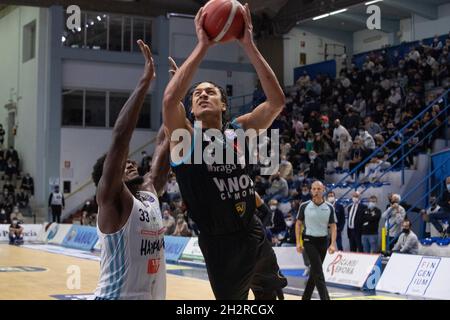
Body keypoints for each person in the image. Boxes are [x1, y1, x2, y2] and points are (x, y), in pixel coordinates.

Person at [162, 5, 287, 300]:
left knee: (272, 298)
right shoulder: (184, 139)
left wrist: (248, 44)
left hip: (253, 230)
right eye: (197, 94)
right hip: (221, 243)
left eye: (211, 92)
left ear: (223, 105)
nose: (203, 94)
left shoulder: (238, 131)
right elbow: (169, 101)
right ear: (191, 109)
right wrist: (203, 45)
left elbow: (276, 102)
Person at [91, 40, 170, 300]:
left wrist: (176, 99)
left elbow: (163, 141)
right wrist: (145, 83)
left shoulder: (149, 192)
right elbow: (120, 138)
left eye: (131, 161)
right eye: (123, 164)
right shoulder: (113, 202)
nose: (130, 162)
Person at [295, 181, 337, 300]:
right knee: (318, 271)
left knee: (314, 271)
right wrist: (298, 242)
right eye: (314, 189)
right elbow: (298, 224)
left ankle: (306, 297)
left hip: (323, 241)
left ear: (323, 190)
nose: (316, 191)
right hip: (309, 240)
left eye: (319, 189)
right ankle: (325, 298)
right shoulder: (304, 205)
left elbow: (333, 226)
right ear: (311, 190)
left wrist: (333, 244)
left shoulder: (329, 207)